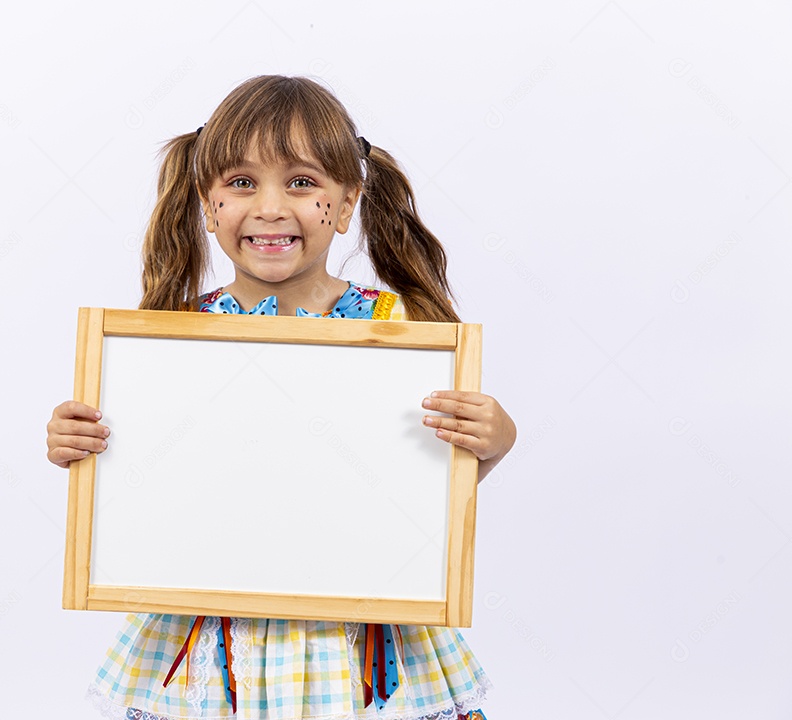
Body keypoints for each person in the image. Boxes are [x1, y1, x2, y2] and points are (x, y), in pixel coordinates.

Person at [46, 75, 517, 720]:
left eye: (301, 182)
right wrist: (81, 444)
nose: (269, 207)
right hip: (217, 631)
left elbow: (429, 480)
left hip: (357, 631)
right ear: (208, 205)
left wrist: (494, 438)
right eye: (241, 183)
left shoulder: (398, 328)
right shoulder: (171, 338)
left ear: (347, 203)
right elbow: (147, 482)